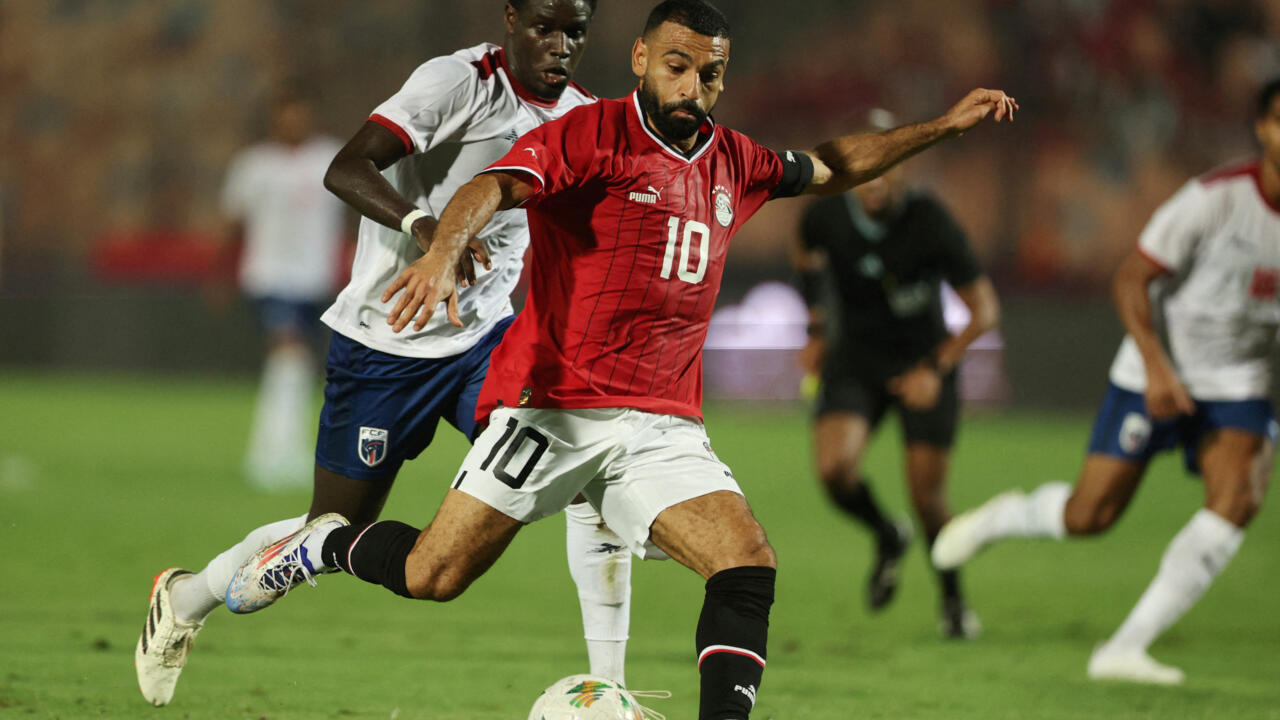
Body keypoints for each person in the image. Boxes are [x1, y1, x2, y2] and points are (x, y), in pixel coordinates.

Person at [227, 2, 1016, 717]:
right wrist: (438, 246)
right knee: (436, 574)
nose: (694, 86)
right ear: (640, 59)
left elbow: (833, 164)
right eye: (678, 65)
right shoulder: (589, 134)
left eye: (711, 73)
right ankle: (325, 544)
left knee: (746, 563)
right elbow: (496, 187)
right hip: (555, 408)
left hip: (661, 422)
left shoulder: (734, 161)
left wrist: (941, 128)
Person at [134, 0, 634, 707]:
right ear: (512, 18)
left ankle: (607, 689)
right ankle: (188, 597)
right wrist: (430, 229)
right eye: (545, 26)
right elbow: (348, 167)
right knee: (334, 531)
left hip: (483, 344)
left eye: (576, 31)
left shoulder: (581, 118)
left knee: (584, 474)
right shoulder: (456, 83)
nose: (561, 45)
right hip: (383, 345)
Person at [932, 78, 1280, 685]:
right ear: (1263, 128)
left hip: (1240, 381)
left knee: (1239, 500)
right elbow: (1130, 280)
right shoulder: (1215, 199)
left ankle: (1125, 648)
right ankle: (1004, 517)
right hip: (1156, 369)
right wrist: (1156, 367)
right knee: (1088, 517)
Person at [793, 108, 1000, 638]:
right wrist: (816, 327)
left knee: (929, 501)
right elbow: (806, 252)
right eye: (870, 165)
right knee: (834, 470)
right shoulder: (827, 215)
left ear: (907, 166)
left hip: (922, 362)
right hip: (856, 359)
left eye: (890, 164)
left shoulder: (930, 221)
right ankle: (887, 534)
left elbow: (985, 311)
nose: (877, 179)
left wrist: (936, 368)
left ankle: (953, 601)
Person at [220, 90, 346, 490]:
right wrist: (220, 273)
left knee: (299, 364)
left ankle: (282, 448)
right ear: (275, 118)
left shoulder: (330, 157)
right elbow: (233, 223)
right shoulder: (254, 166)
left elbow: (350, 215)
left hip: (315, 278)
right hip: (269, 276)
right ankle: (271, 454)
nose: (294, 122)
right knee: (288, 354)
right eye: (286, 115)